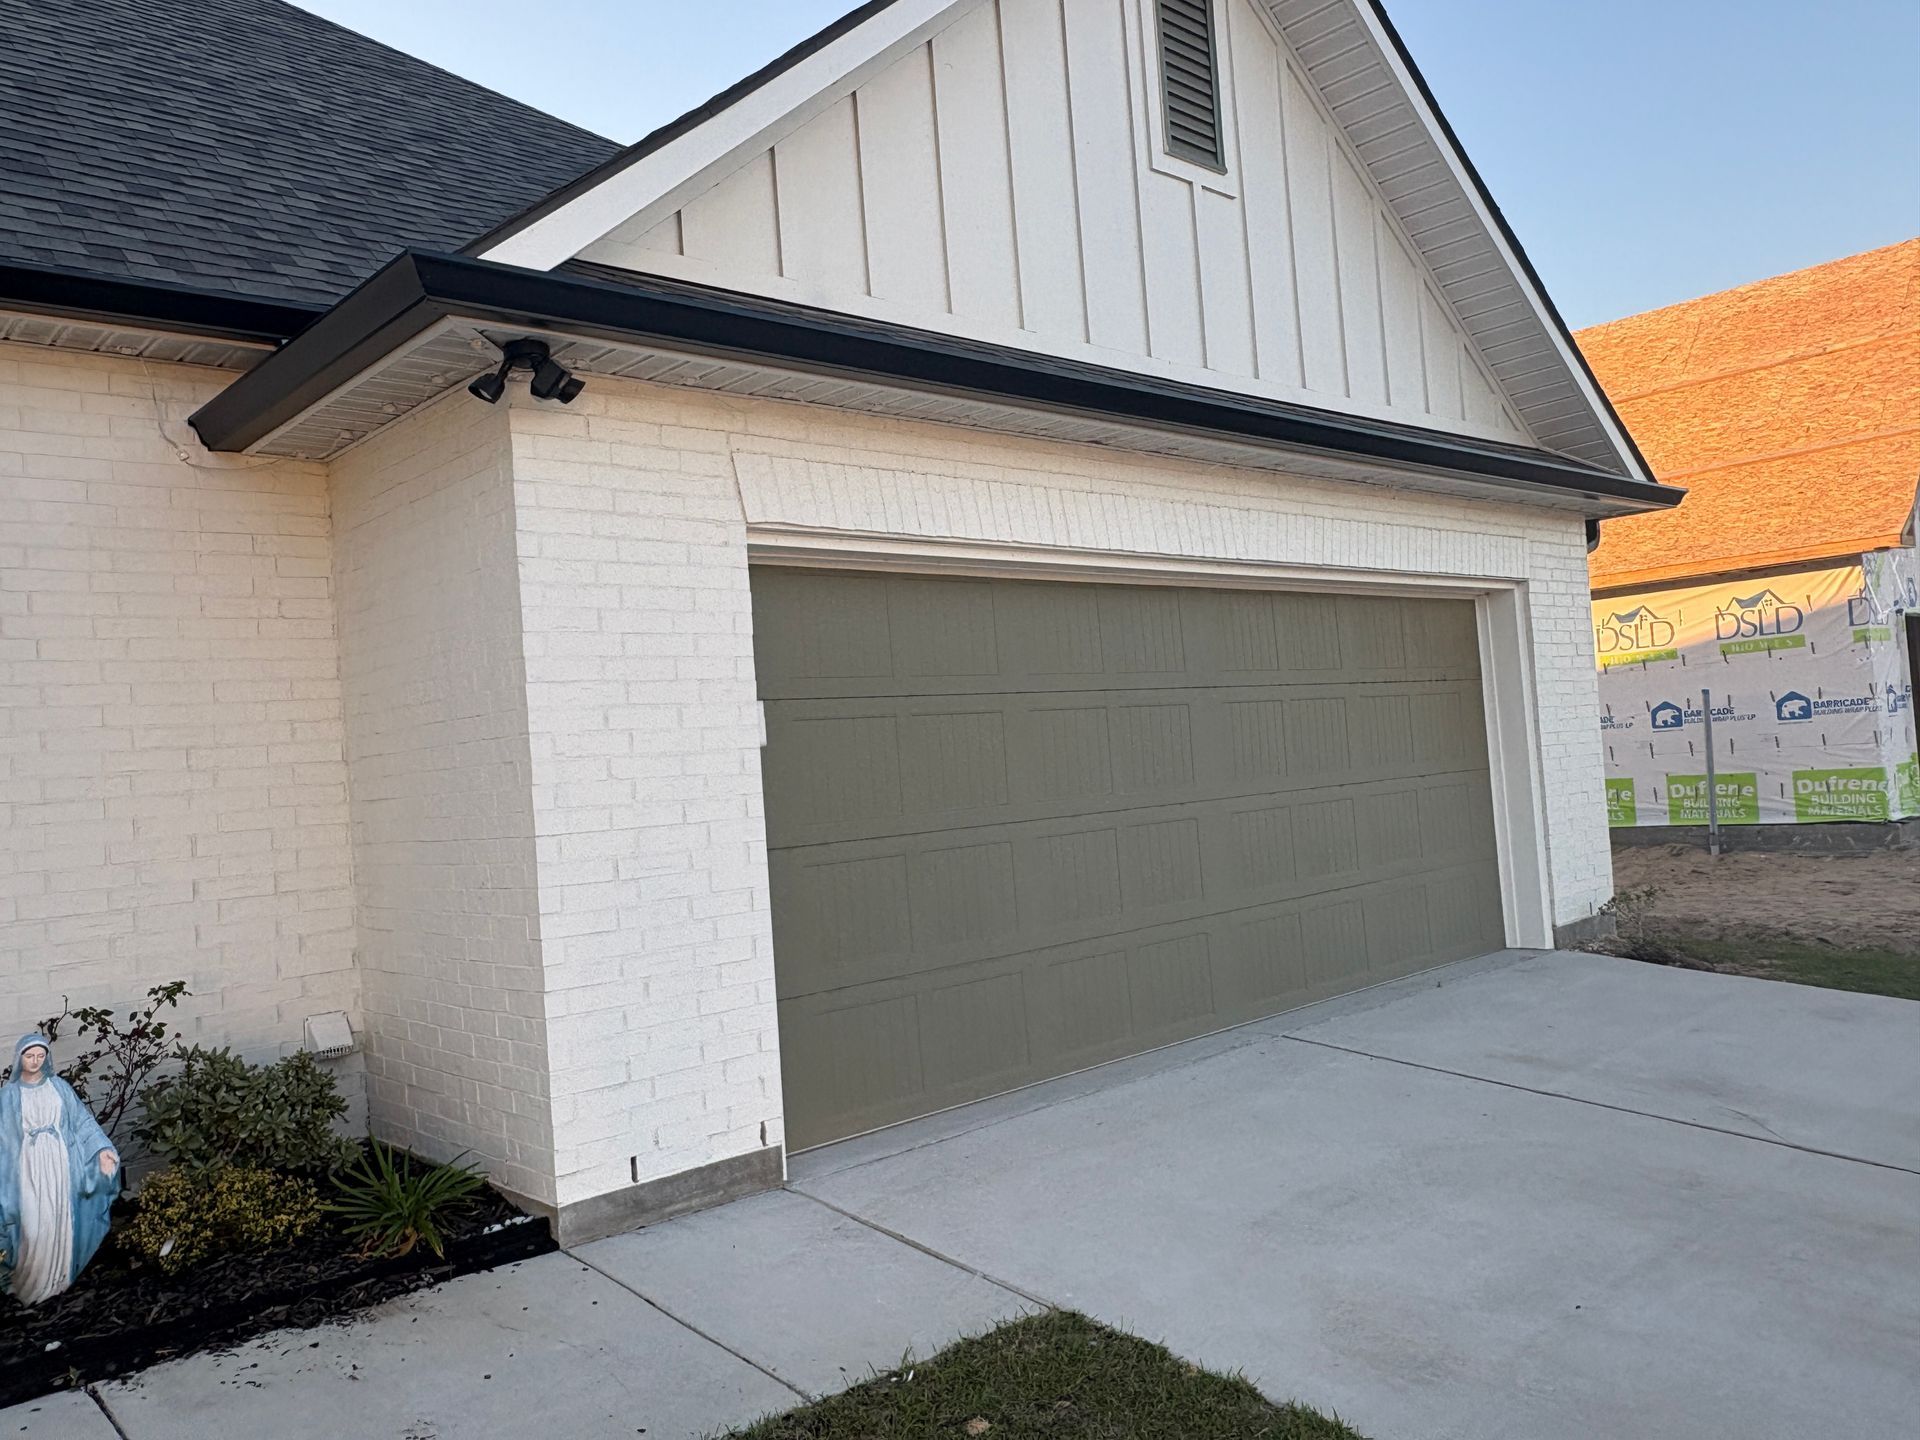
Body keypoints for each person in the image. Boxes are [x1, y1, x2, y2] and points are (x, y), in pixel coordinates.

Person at [0, 1034, 119, 1305]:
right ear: (19, 1059)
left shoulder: (59, 1087)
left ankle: (58, 1279)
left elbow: (82, 1122)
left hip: (60, 1165)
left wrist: (101, 1149)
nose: (35, 1061)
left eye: (40, 1056)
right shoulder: (8, 1096)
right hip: (26, 1169)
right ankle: (27, 1284)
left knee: (59, 1218)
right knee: (31, 1223)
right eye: (29, 1056)